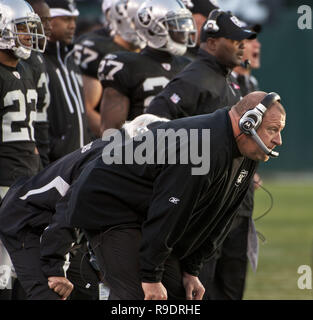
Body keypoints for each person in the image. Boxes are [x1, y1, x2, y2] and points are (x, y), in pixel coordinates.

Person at [65, 91, 286, 300]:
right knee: (138, 296)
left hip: (145, 211)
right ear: (248, 123)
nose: (278, 140)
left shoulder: (245, 153)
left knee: (178, 291)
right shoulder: (204, 146)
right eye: (272, 130)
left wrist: (191, 270)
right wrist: (150, 277)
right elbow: (169, 212)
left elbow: (219, 217)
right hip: (110, 205)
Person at [0, 114, 167, 300]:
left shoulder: (118, 152)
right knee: (50, 293)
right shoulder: (110, 160)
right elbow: (70, 207)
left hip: (59, 224)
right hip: (28, 219)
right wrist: (54, 266)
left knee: (87, 291)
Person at [201, 23, 264, 300]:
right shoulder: (206, 81)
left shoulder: (250, 84)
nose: (254, 45)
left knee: (233, 280)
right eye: (246, 40)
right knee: (206, 277)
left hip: (240, 194)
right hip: (214, 194)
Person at [0, 0, 46, 299]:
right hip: (3, 179)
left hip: (26, 178)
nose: (28, 36)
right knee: (2, 269)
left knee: (23, 267)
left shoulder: (28, 68)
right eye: (21, 29)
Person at [99, 0, 196, 132]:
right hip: (138, 148)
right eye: (176, 24)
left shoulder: (189, 65)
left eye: (185, 23)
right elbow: (110, 132)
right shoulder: (125, 65)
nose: (185, 30)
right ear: (154, 28)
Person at [145, 9, 256, 119]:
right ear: (212, 43)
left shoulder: (228, 78)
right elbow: (154, 120)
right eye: (235, 41)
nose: (242, 46)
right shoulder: (193, 79)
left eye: (242, 42)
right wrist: (197, 136)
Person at [73, 0, 143, 138]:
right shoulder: (96, 48)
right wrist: (122, 141)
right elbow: (85, 110)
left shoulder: (152, 46)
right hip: (116, 141)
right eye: (133, 17)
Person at [44, 0, 91, 162]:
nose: (72, 26)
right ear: (47, 20)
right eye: (66, 19)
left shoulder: (70, 58)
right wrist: (56, 147)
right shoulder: (38, 61)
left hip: (79, 159)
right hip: (54, 163)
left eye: (74, 20)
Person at [25, 0, 52, 168]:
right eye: (43, 20)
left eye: (50, 20)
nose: (49, 25)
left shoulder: (37, 56)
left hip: (42, 136)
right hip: (29, 142)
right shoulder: (26, 59)